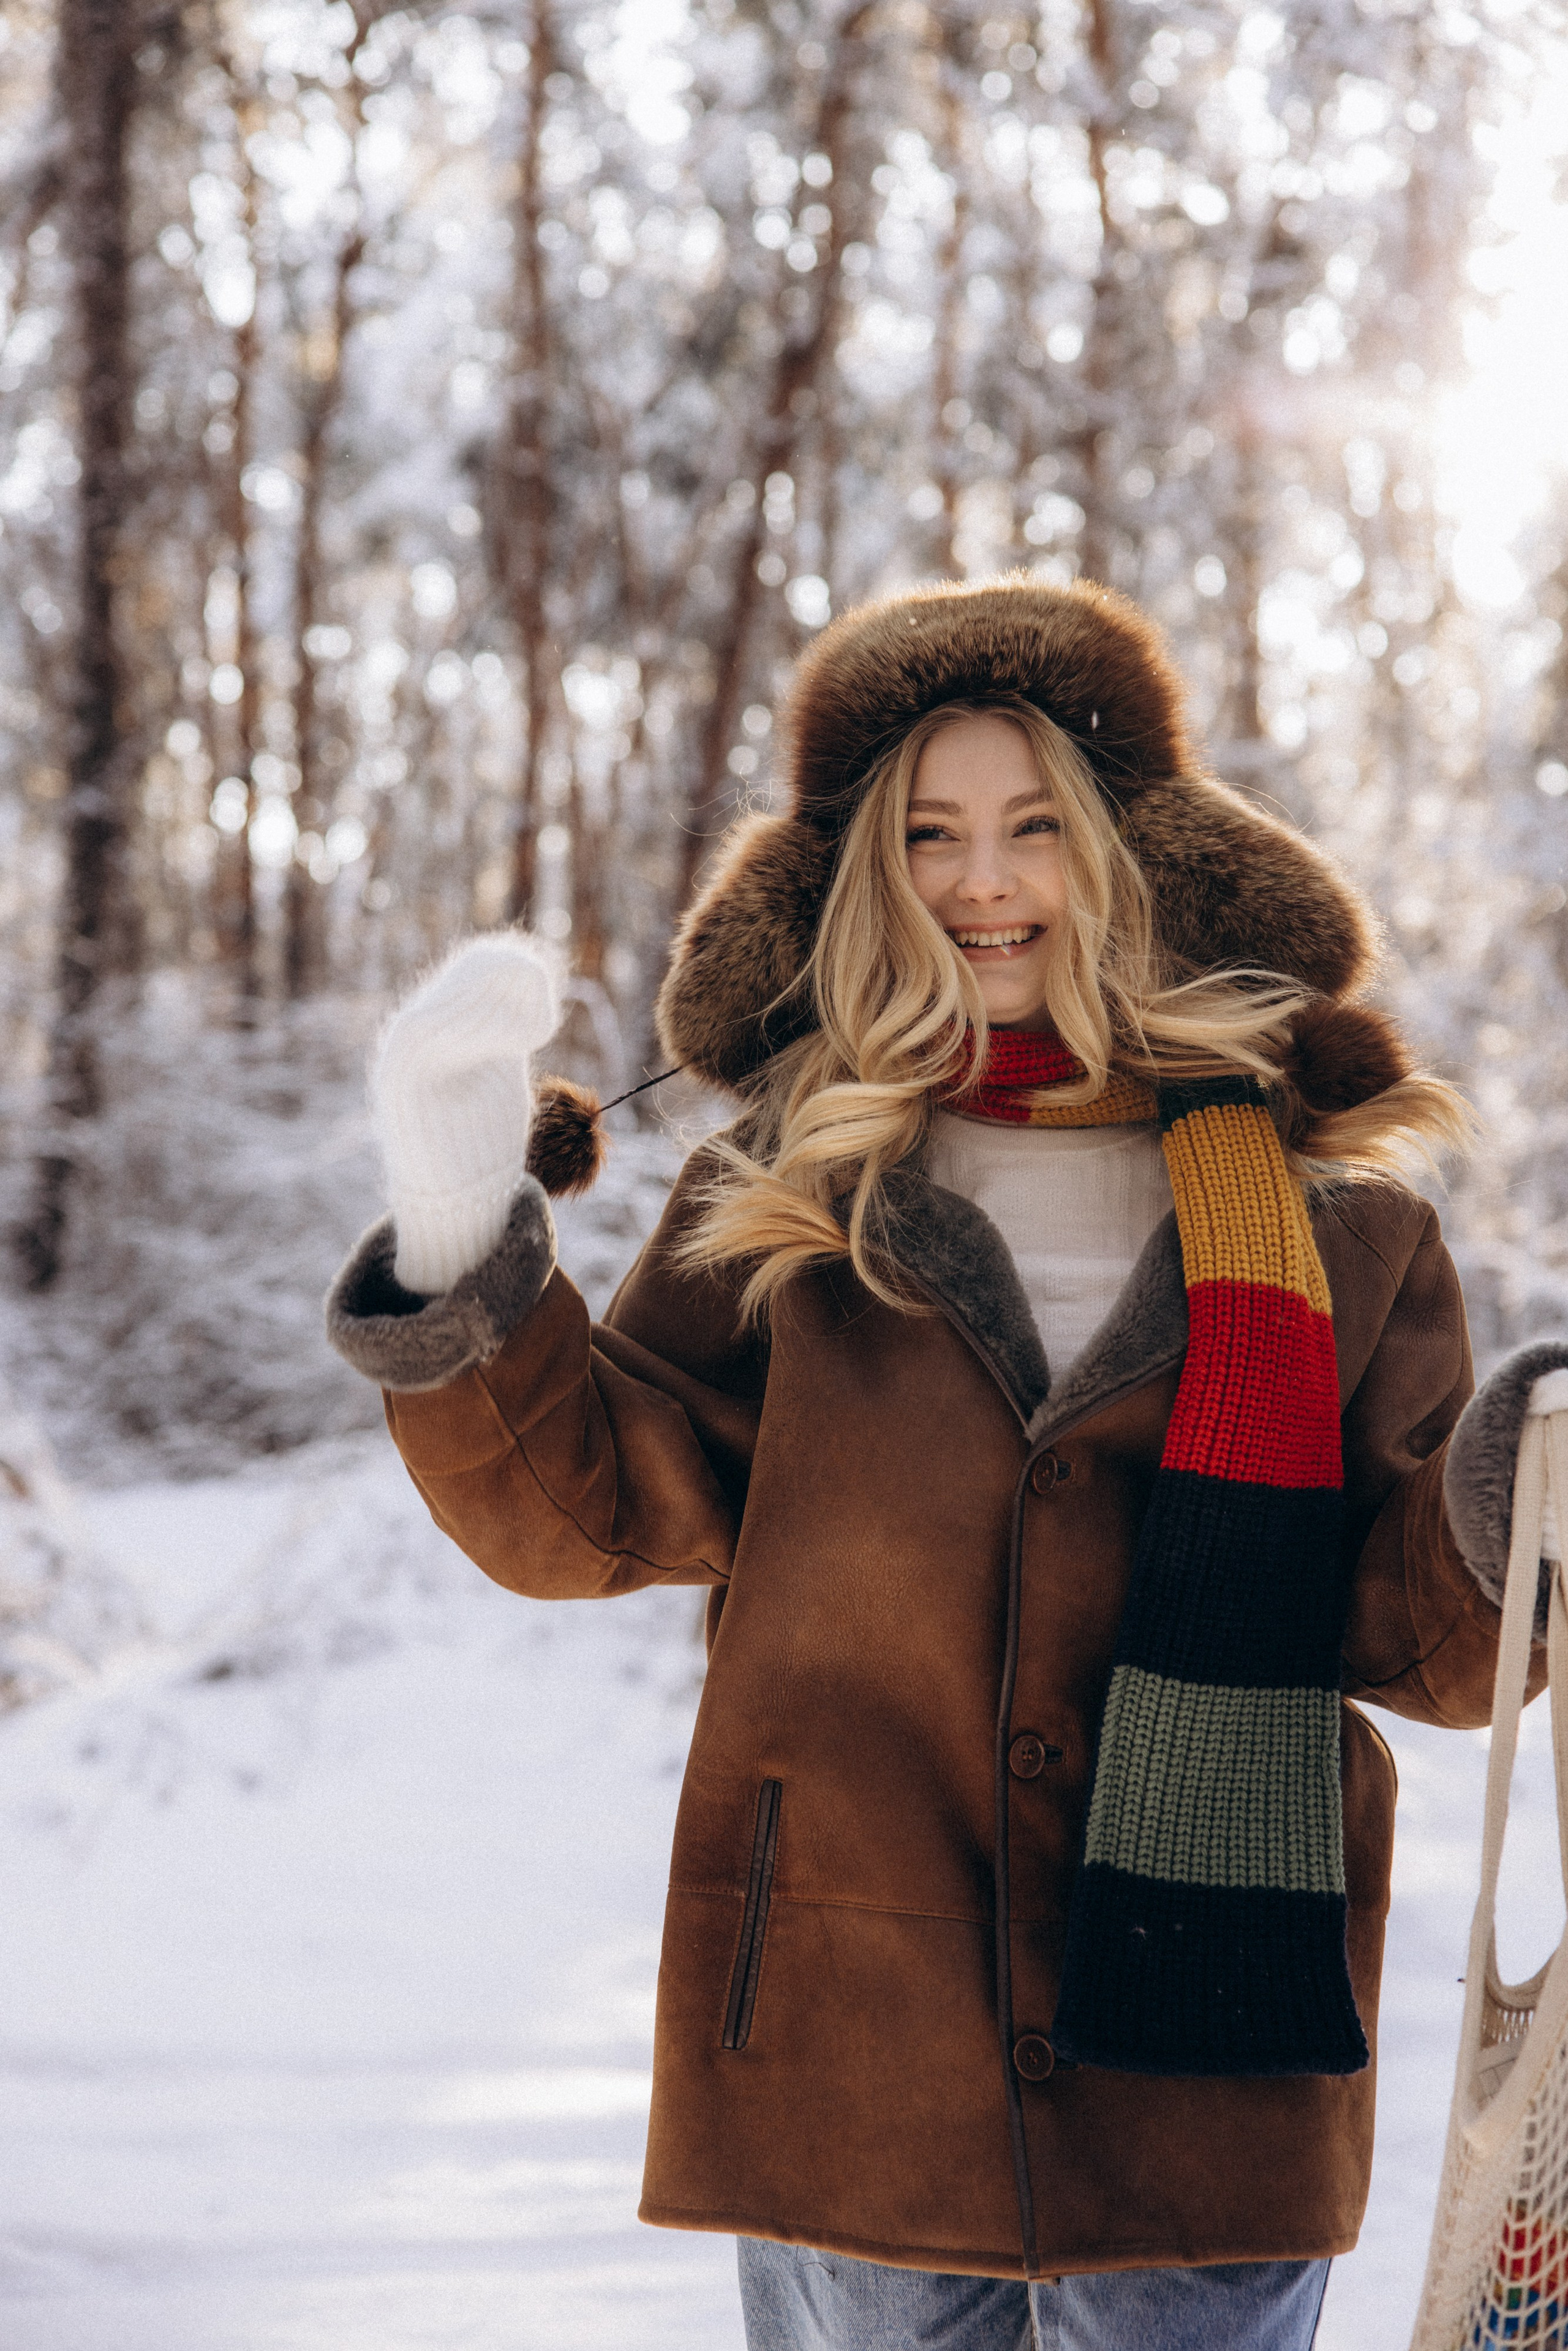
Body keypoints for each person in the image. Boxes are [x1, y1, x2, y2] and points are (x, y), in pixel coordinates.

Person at [326, 576, 1564, 2351]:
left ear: (1130, 852)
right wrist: (458, 1217)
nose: (983, 880)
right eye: (931, 835)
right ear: (866, 879)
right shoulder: (793, 1196)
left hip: (1204, 2069)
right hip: (853, 2038)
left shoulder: (1338, 1219)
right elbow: (584, 1512)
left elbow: (1416, 1637)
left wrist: (1528, 1492)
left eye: (1033, 826)